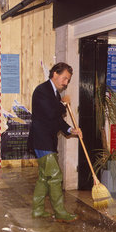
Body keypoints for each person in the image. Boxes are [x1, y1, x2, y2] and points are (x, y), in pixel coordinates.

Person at [27, 62, 82, 223]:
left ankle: (38, 210)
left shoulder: (54, 94)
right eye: (64, 78)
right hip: (42, 141)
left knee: (44, 177)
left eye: (68, 80)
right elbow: (51, 113)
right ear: (55, 74)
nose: (65, 83)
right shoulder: (42, 91)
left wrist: (71, 130)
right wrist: (62, 104)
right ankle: (60, 212)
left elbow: (57, 121)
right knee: (56, 176)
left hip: (48, 142)